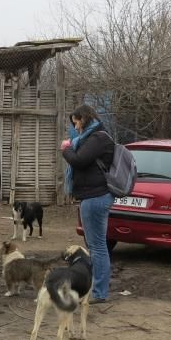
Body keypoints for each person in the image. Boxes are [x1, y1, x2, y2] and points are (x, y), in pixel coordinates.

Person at [60, 104, 115, 303]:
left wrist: (65, 150)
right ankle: (98, 289)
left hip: (95, 197)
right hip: (94, 196)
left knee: (97, 246)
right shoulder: (95, 137)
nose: (75, 126)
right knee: (97, 245)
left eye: (76, 122)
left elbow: (79, 160)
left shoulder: (98, 138)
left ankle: (99, 293)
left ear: (84, 119)